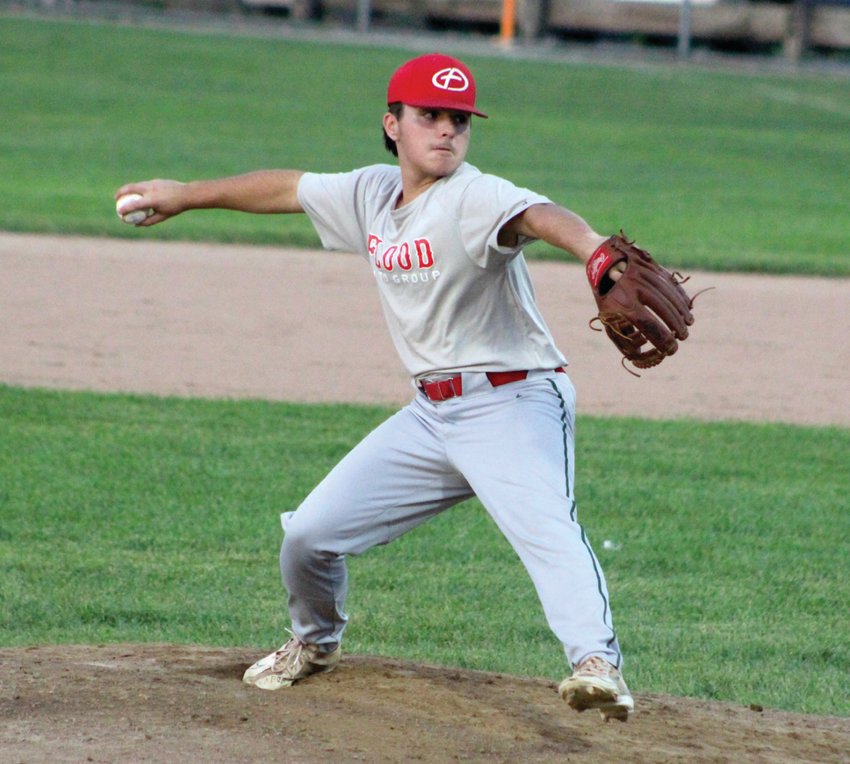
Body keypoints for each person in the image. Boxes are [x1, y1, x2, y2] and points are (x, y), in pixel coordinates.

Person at [116, 52, 635, 722]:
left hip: (514, 403)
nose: (446, 130)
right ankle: (314, 641)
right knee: (308, 536)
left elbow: (538, 215)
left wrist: (593, 247)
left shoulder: (474, 196)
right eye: (430, 116)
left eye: (458, 120)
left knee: (546, 531)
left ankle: (597, 664)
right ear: (393, 125)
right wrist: (185, 194)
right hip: (430, 418)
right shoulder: (370, 194)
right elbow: (285, 189)